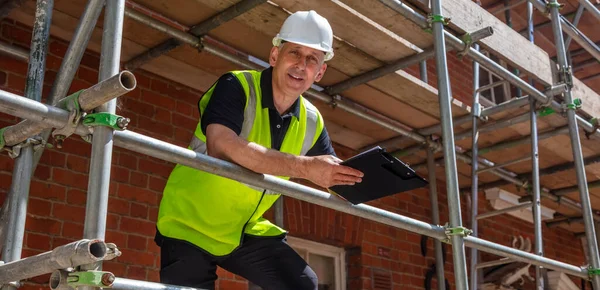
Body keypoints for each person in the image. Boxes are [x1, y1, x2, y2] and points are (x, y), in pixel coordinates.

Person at [155, 10, 364, 290]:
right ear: (275, 56)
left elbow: (332, 176)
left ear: (320, 72)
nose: (302, 65)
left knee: (301, 284)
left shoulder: (312, 119)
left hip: (240, 228)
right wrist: (305, 168)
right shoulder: (237, 86)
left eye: (313, 59)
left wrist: (365, 180)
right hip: (188, 223)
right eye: (295, 53)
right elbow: (221, 145)